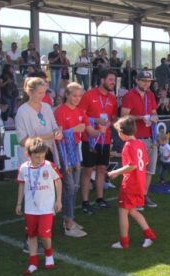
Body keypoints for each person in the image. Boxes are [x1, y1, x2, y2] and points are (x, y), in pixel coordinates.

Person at [54, 82, 101, 237]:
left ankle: (69, 219)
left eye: (80, 96)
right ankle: (68, 223)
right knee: (69, 186)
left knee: (74, 186)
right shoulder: (60, 111)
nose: (77, 99)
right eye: (74, 95)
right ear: (67, 95)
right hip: (63, 151)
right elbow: (58, 135)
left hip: (75, 149)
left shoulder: (81, 111)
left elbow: (90, 131)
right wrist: (73, 130)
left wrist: (101, 130)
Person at [107, 116, 157, 249]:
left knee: (122, 212)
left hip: (130, 184)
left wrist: (116, 172)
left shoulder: (128, 145)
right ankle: (150, 235)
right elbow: (145, 162)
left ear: (121, 133)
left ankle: (124, 242)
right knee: (133, 211)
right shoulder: (140, 143)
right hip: (139, 182)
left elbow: (132, 165)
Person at [15, 137, 62, 275]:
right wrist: (19, 203)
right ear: (28, 154)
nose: (40, 160)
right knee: (31, 235)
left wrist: (58, 200)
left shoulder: (49, 165)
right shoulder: (24, 168)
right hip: (30, 208)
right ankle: (33, 262)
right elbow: (21, 184)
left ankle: (49, 255)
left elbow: (58, 181)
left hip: (46, 207)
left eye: (42, 156)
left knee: (44, 234)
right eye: (37, 157)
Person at [78, 69, 118, 213]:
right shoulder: (89, 95)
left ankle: (100, 199)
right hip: (89, 139)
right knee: (88, 170)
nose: (113, 82)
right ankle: (85, 201)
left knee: (102, 169)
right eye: (110, 80)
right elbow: (80, 115)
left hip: (105, 139)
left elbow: (114, 118)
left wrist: (110, 123)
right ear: (102, 80)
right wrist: (95, 120)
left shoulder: (112, 98)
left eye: (114, 80)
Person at [121, 70, 159, 208]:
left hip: (150, 137)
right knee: (136, 170)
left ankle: (143, 195)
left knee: (149, 170)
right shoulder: (129, 95)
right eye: (143, 81)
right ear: (136, 80)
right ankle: (135, 197)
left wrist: (154, 118)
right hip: (136, 138)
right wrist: (141, 117)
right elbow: (124, 116)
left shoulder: (150, 95)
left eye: (148, 81)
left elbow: (154, 113)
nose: (146, 83)